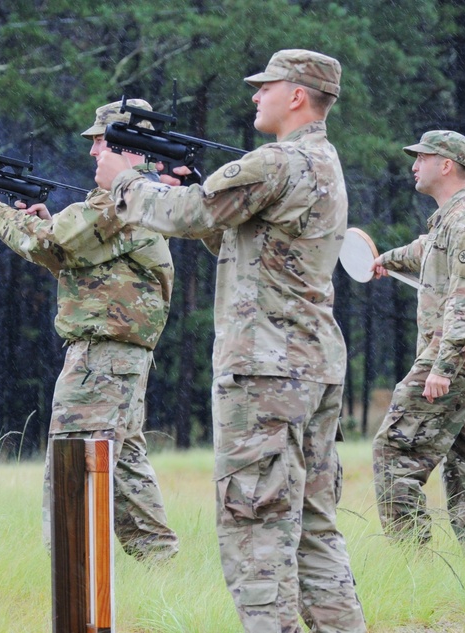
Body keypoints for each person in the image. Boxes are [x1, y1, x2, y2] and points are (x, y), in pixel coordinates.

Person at [94, 50, 366, 632]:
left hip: (264, 372)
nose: (254, 97)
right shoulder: (324, 163)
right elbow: (248, 246)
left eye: (265, 87)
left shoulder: (275, 161)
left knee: (255, 525)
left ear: (297, 95)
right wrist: (193, 193)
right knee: (315, 527)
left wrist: (125, 183)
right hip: (314, 365)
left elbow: (190, 212)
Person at [0, 100, 179, 562]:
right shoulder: (142, 198)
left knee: (73, 460)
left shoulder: (122, 199)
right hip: (118, 355)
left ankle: (73, 573)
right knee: (122, 466)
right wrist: (38, 222)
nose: (93, 152)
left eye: (101, 141)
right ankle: (160, 564)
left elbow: (55, 244)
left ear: (129, 145)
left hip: (102, 357)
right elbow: (78, 260)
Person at [370, 131, 465, 554]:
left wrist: (442, 367)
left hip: (457, 361)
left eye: (422, 158)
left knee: (395, 451)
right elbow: (427, 249)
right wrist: (385, 259)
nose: (414, 165)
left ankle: (413, 563)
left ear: (446, 165)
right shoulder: (454, 219)